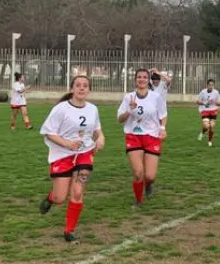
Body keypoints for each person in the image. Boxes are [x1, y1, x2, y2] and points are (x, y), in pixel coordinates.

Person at [37, 75, 105, 242]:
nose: (82, 88)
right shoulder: (61, 108)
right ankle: (51, 198)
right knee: (60, 198)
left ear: (89, 89)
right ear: (72, 88)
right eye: (78, 85)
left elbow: (96, 130)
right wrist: (67, 144)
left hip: (85, 152)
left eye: (85, 85)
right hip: (62, 154)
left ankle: (69, 231)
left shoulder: (92, 109)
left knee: (78, 191)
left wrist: (101, 138)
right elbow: (48, 132)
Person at [118, 68, 168, 205]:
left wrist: (162, 128)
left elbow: (163, 115)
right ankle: (138, 200)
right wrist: (129, 110)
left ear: (148, 80)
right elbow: (120, 119)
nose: (141, 79)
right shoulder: (129, 97)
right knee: (138, 173)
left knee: (149, 176)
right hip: (133, 136)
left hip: (152, 137)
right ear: (135, 80)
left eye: (145, 77)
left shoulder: (156, 97)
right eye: (139, 77)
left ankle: (149, 185)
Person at [196, 79, 220, 146]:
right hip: (205, 111)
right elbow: (197, 102)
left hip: (213, 111)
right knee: (206, 126)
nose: (211, 86)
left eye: (212, 85)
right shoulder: (203, 92)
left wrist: (214, 102)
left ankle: (209, 141)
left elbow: (219, 104)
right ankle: (202, 132)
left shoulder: (216, 92)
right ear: (207, 85)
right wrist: (205, 103)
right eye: (209, 85)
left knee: (212, 126)